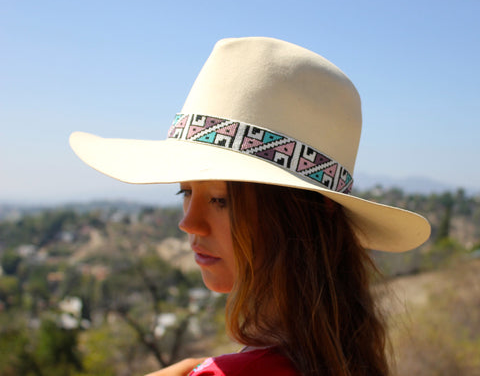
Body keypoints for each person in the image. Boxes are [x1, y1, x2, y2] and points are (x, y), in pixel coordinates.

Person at [70, 37, 431, 376]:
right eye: (185, 193)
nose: (189, 223)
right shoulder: (343, 355)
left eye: (220, 200)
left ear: (307, 215)